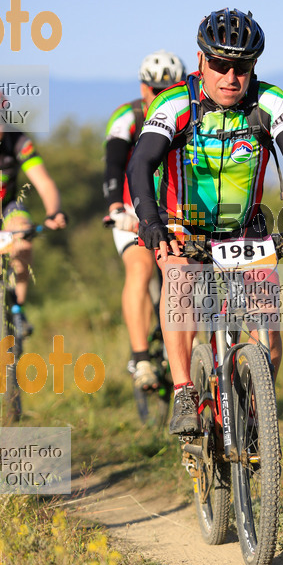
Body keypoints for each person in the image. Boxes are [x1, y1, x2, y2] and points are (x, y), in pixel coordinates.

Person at [127, 8, 283, 434]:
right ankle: (185, 389)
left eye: (241, 67)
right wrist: (150, 222)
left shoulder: (269, 101)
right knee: (183, 284)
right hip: (181, 226)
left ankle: (258, 414)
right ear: (201, 61)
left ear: (253, 68)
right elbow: (141, 162)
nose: (230, 77)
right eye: (220, 65)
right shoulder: (175, 103)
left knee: (268, 336)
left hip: (245, 230)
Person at [103, 50, 186, 391]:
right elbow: (113, 164)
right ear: (143, 87)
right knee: (140, 269)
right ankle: (141, 359)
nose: (160, 96)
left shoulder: (187, 112)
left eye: (169, 89)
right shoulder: (128, 116)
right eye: (154, 90)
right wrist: (113, 207)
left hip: (175, 209)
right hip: (132, 209)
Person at [0, 93, 67, 332]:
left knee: (23, 235)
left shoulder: (17, 140)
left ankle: (18, 309)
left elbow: (43, 182)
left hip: (7, 205)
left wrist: (54, 212)